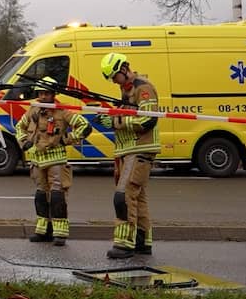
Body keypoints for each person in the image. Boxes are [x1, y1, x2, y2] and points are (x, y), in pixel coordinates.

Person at [98, 52, 161, 259]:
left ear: (124, 69)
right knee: (137, 199)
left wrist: (115, 122)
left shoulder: (143, 88)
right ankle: (142, 242)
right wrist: (110, 116)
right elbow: (128, 117)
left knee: (123, 196)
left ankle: (124, 244)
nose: (114, 81)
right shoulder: (126, 91)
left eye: (114, 76)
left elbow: (147, 120)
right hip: (129, 150)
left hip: (140, 149)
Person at [15, 77, 90, 246]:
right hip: (37, 161)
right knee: (41, 196)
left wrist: (66, 139)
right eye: (40, 93)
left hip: (57, 161)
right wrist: (24, 142)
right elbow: (19, 127)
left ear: (53, 94)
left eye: (47, 93)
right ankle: (43, 231)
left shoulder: (62, 111)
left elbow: (85, 126)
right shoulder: (33, 110)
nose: (43, 96)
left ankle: (60, 233)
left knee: (57, 196)